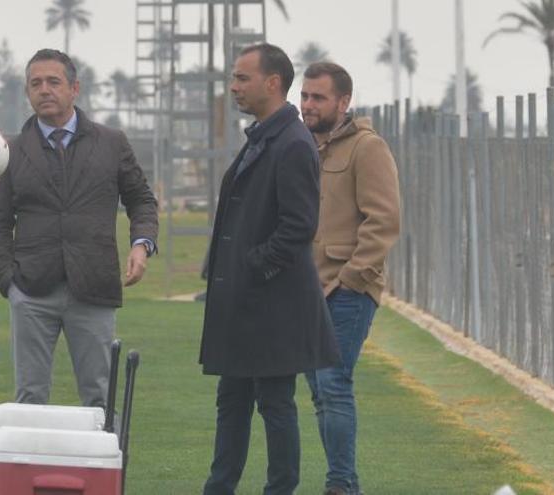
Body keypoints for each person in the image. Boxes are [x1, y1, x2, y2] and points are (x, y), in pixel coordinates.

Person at [199, 43, 339, 495]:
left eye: (242, 78)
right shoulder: (264, 136)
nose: (234, 86)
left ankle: (280, 489)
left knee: (276, 405)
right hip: (246, 302)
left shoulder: (293, 143)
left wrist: (252, 267)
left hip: (272, 304)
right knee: (232, 400)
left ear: (272, 83)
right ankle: (218, 487)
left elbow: (298, 226)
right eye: (234, 78)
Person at [0, 49, 158, 408]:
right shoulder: (9, 152)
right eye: (36, 83)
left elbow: (141, 200)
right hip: (31, 292)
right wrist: (8, 282)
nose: (44, 90)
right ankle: (31, 467)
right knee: (30, 398)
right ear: (27, 93)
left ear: (74, 88)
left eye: (53, 82)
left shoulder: (112, 143)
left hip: (93, 287)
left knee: (99, 398)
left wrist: (142, 244)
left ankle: (101, 466)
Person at [300, 62, 401, 495]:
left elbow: (384, 220)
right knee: (320, 392)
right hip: (303, 289)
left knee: (333, 383)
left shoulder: (367, 147)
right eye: (304, 96)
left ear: (344, 102)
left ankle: (340, 484)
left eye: (318, 97)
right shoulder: (301, 146)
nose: (307, 105)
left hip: (346, 290)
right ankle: (345, 483)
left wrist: (352, 278)